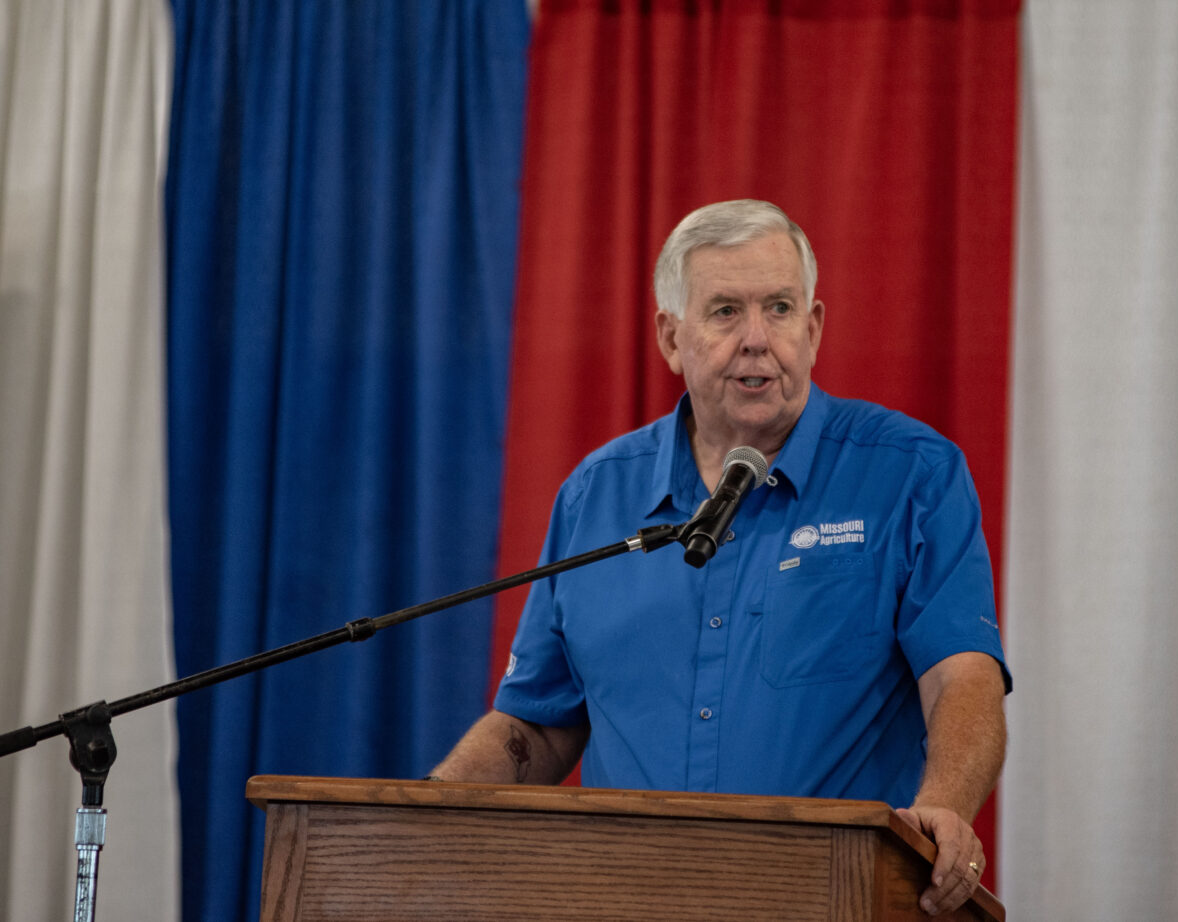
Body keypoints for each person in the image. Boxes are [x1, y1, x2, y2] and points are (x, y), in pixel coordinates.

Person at [431, 200, 1010, 916]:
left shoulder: (912, 474)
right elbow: (540, 724)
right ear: (672, 338)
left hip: (836, 897)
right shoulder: (596, 494)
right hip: (624, 900)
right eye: (726, 312)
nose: (758, 340)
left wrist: (944, 808)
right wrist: (426, 814)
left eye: (779, 308)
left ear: (814, 327)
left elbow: (962, 676)